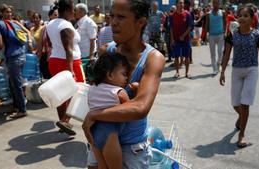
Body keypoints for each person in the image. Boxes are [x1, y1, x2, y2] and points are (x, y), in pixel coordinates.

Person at [82, 0, 165, 168]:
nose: (113, 22)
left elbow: (140, 107)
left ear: (140, 22)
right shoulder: (107, 51)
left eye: (121, 17)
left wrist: (94, 115)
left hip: (131, 149)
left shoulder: (152, 58)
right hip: (100, 138)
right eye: (112, 16)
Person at [220, 5, 259, 148]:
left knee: (245, 103)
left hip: (251, 71)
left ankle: (241, 135)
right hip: (236, 70)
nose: (242, 18)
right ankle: (242, 117)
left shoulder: (257, 35)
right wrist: (222, 71)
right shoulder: (232, 35)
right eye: (240, 15)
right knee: (235, 103)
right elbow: (227, 53)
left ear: (252, 18)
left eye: (245, 15)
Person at [46, 0, 85, 135]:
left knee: (60, 94)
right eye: (73, 9)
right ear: (68, 11)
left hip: (55, 60)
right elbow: (68, 50)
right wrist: (71, 71)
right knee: (79, 92)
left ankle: (64, 122)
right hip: (69, 62)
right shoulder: (65, 25)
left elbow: (50, 43)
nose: (74, 12)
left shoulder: (51, 23)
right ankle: (65, 120)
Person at [89, 52, 131, 169]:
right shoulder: (119, 92)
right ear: (110, 75)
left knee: (102, 166)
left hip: (94, 132)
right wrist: (136, 91)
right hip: (110, 134)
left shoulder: (92, 89)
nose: (126, 78)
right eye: (123, 74)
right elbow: (131, 110)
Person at [0, 4, 32, 118]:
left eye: (9, 12)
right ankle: (17, 107)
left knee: (16, 85)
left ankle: (22, 110)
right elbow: (27, 33)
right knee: (14, 84)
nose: (9, 14)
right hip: (21, 56)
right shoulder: (15, 23)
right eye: (7, 12)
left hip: (14, 58)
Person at [170, 0, 192, 79]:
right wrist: (172, 39)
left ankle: (187, 72)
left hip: (186, 39)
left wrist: (183, 36)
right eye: (180, 3)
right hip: (176, 39)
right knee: (176, 57)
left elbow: (190, 27)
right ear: (176, 4)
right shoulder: (172, 16)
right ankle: (177, 72)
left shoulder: (187, 14)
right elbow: (171, 28)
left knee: (187, 56)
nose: (182, 4)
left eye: (182, 3)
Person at [205, 0, 226, 75]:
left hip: (220, 35)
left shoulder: (222, 12)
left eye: (217, 3)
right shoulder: (208, 14)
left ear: (219, 4)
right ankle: (214, 69)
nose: (215, 4)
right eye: (214, 3)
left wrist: (225, 32)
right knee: (212, 53)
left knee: (220, 52)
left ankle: (218, 64)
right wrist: (205, 35)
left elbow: (225, 22)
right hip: (211, 36)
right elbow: (206, 24)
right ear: (212, 4)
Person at [37, 9, 58, 79]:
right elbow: (40, 44)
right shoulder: (44, 28)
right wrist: (39, 58)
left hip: (61, 58)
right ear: (50, 16)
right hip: (49, 58)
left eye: (58, 14)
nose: (57, 16)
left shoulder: (62, 26)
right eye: (55, 15)